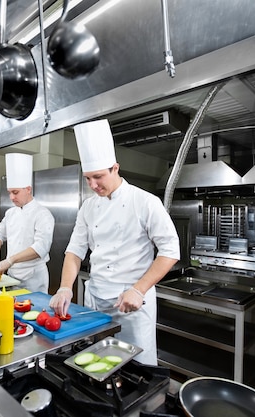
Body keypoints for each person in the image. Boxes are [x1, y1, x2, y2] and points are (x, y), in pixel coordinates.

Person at [49, 119, 180, 365]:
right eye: (87, 178)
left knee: (137, 369)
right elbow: (74, 251)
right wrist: (65, 287)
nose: (92, 185)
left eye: (98, 177)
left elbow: (170, 251)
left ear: (115, 168)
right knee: (96, 364)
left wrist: (139, 289)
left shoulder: (145, 202)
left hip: (131, 303)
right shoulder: (88, 206)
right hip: (95, 300)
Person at [0, 153, 55, 293]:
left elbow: (40, 248)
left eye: (15, 192)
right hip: (12, 277)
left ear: (28, 189)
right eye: (9, 192)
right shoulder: (11, 213)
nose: (11, 197)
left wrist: (9, 261)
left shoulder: (43, 214)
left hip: (34, 279)